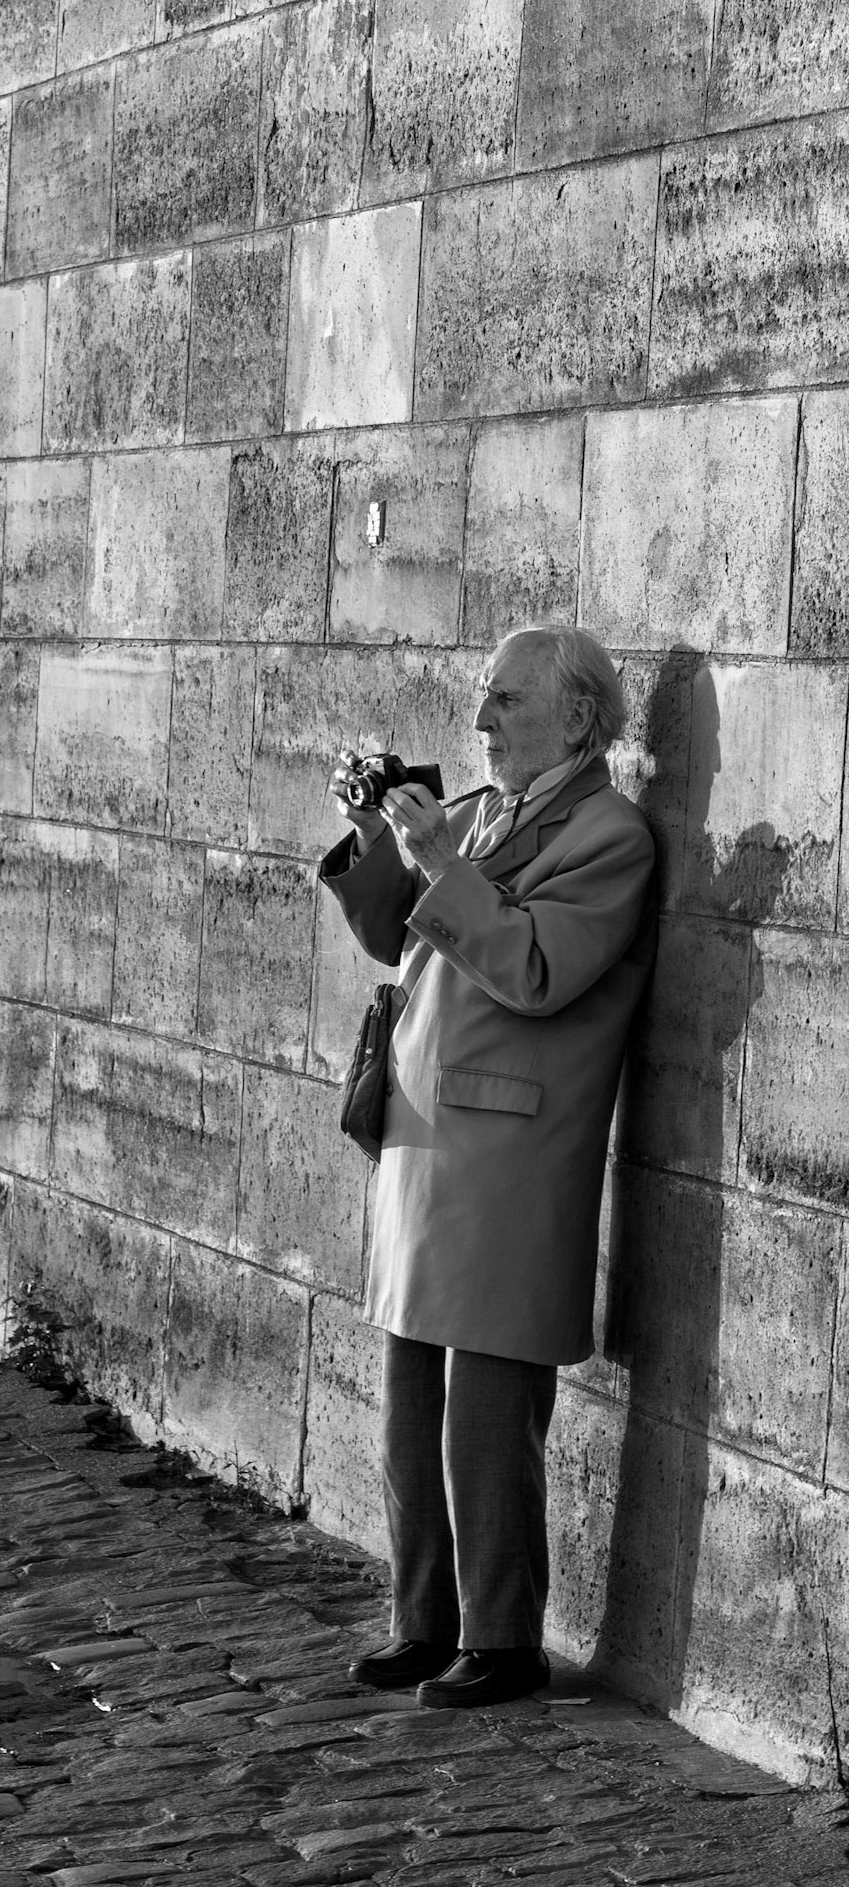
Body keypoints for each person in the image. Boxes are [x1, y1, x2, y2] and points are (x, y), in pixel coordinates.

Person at [321, 625, 656, 1709]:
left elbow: (541, 967)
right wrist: (375, 837)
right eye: (483, 700)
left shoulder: (609, 834)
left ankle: (505, 1636)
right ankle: (426, 1619)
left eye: (506, 702)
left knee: (490, 1402)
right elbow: (396, 935)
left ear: (574, 713)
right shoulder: (476, 809)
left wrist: (444, 866)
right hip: (429, 1134)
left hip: (513, 1147)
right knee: (410, 1393)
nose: (482, 721)